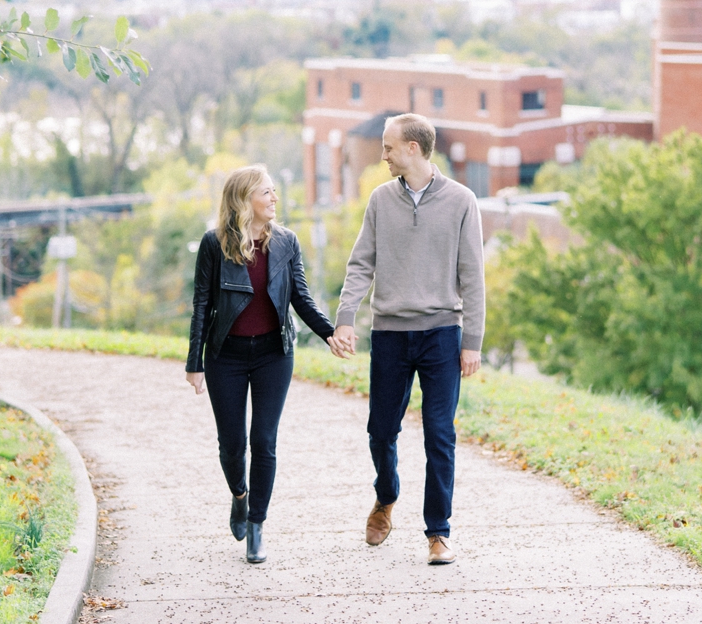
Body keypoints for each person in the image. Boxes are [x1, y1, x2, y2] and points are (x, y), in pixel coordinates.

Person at [331, 113, 485, 565]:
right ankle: (386, 496)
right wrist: (345, 318)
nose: (383, 154)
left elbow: (473, 276)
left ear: (413, 148)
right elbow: (361, 263)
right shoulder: (380, 200)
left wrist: (472, 340)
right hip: (391, 334)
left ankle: (438, 532)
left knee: (440, 434)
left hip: (442, 334)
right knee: (381, 430)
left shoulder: (462, 201)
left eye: (389, 147)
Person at [187, 164, 346, 563]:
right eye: (266, 192)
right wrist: (195, 363)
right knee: (232, 445)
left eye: (275, 192)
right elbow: (201, 306)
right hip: (227, 356)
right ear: (245, 200)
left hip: (275, 354)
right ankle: (239, 495)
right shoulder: (214, 244)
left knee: (264, 441)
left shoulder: (287, 242)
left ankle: (257, 523)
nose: (274, 199)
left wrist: (330, 332)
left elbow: (301, 299)